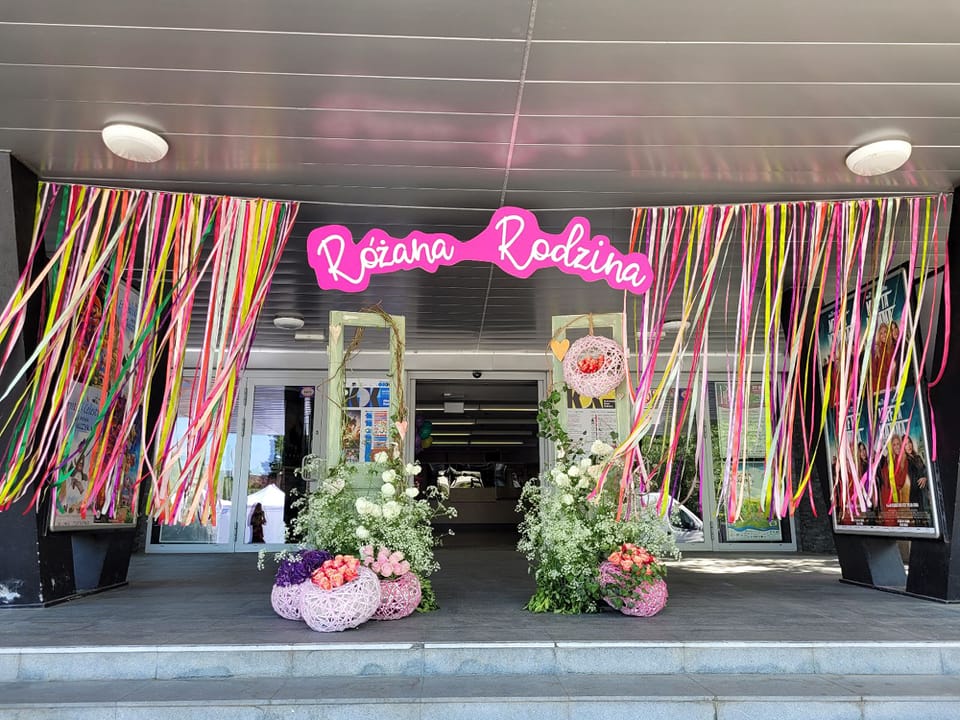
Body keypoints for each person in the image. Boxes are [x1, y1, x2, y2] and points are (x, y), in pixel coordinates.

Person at [903, 435, 930, 518]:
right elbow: (911, 480)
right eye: (905, 444)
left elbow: (926, 471)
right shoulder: (905, 461)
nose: (908, 446)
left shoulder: (918, 458)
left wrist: (925, 478)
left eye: (909, 442)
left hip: (924, 493)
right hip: (914, 496)